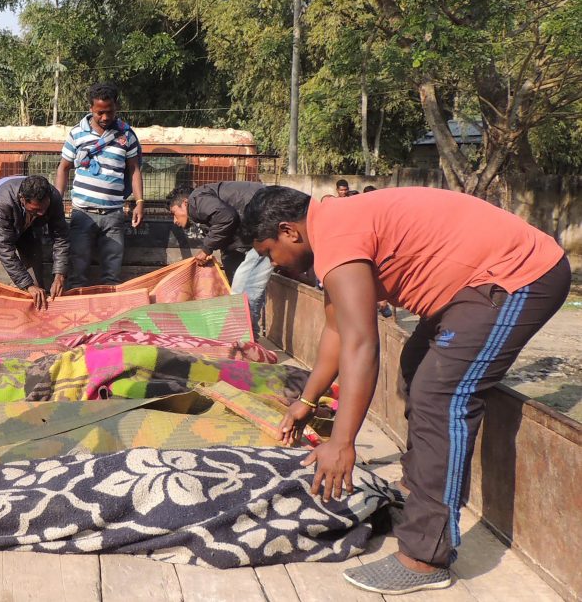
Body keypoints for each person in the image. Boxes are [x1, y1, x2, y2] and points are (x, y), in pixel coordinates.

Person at [242, 186, 569, 595]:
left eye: (269, 252)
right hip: (475, 286)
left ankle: (426, 554)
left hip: (521, 276)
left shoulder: (338, 238)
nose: (273, 264)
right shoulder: (333, 230)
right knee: (416, 366)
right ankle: (418, 490)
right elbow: (335, 329)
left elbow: (362, 344)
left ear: (289, 231)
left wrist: (343, 442)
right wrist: (306, 402)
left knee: (440, 394)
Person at [55, 82, 143, 289]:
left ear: (116, 107)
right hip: (82, 214)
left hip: (114, 214)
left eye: (109, 112)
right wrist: (57, 202)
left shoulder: (126, 135)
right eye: (99, 113)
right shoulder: (77, 134)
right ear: (90, 109)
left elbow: (134, 169)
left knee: (112, 276)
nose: (105, 117)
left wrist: (139, 201)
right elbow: (63, 167)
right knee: (77, 273)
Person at [166, 182, 272, 332]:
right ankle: (247, 333)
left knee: (246, 282)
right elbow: (228, 234)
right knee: (240, 281)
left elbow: (226, 217)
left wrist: (206, 249)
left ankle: (247, 336)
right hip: (259, 224)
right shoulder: (202, 210)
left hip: (266, 217)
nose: (174, 221)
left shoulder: (196, 200)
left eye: (173, 213)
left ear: (184, 203)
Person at [0, 175, 69, 309]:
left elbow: (61, 238)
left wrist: (60, 275)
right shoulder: (4, 202)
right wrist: (27, 285)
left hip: (25, 222)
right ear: (23, 200)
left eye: (44, 208)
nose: (42, 213)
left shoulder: (54, 198)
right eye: (36, 209)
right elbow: (5, 249)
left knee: (34, 265)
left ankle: (35, 310)